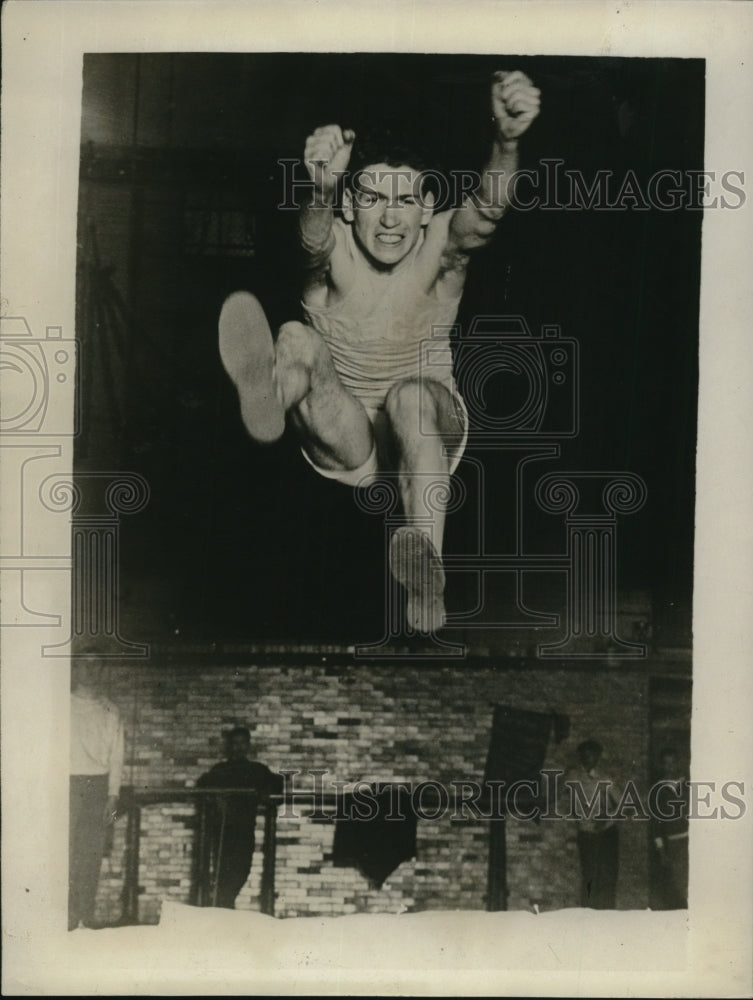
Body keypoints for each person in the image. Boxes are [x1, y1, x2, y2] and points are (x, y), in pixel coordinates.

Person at [219, 70, 541, 633]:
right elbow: (310, 243)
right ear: (349, 206)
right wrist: (320, 189)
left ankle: (425, 576)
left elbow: (488, 212)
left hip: (427, 431)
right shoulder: (333, 246)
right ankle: (273, 392)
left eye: (405, 200)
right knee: (296, 339)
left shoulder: (441, 248)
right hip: (349, 436)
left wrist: (507, 142)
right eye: (372, 199)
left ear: (427, 206)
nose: (391, 218)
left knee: (409, 400)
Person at [196, 726, 283, 909]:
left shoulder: (256, 770)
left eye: (242, 743)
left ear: (248, 745)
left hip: (244, 832)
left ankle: (225, 909)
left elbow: (276, 785)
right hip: (223, 832)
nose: (238, 748)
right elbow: (202, 786)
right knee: (223, 877)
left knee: (241, 872)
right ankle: (224, 910)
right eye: (235, 744)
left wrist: (264, 794)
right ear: (230, 746)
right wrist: (216, 798)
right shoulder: (220, 770)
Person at [69, 662, 124, 930]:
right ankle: (67, 915)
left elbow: (117, 757)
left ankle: (86, 914)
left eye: (97, 666)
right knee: (65, 850)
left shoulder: (111, 710)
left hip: (99, 788)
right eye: (85, 665)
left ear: (103, 671)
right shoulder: (61, 705)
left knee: (92, 851)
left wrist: (113, 797)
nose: (90, 671)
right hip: (66, 785)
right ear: (74, 669)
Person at [569, 739, 620, 909]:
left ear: (598, 757)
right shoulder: (573, 776)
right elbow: (558, 794)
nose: (587, 759)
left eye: (591, 756)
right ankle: (588, 915)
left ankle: (607, 915)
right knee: (589, 875)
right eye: (583, 756)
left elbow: (623, 804)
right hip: (587, 834)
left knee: (607, 875)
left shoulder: (605, 779)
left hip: (607, 834)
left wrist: (607, 818)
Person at [651, 747, 689, 908]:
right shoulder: (658, 790)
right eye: (666, 764)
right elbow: (656, 824)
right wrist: (661, 851)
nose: (670, 767)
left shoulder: (688, 784)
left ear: (678, 763)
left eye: (672, 763)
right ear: (662, 765)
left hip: (692, 840)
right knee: (680, 885)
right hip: (673, 843)